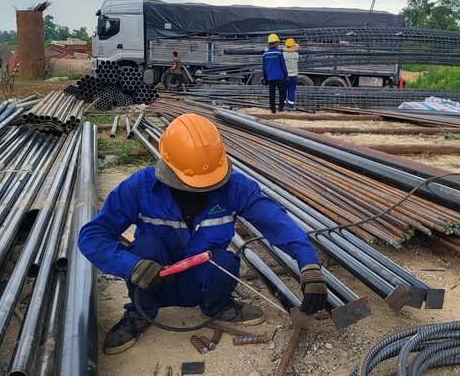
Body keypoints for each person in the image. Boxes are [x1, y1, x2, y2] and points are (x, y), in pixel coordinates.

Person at [78, 114, 328, 354]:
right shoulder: (139, 189)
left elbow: (276, 222)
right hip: (153, 280)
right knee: (146, 247)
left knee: (224, 261)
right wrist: (131, 265)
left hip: (202, 277)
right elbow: (93, 235)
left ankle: (218, 307)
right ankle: (140, 313)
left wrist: (309, 265)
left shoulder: (234, 188)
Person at [262, 34, 288, 113]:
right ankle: (280, 108)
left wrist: (265, 78)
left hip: (270, 77)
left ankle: (273, 110)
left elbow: (264, 68)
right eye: (278, 43)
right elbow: (283, 65)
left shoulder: (265, 54)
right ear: (276, 43)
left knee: (272, 94)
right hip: (280, 76)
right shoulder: (279, 53)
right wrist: (286, 76)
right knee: (282, 92)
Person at [283, 38, 300, 110]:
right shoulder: (296, 54)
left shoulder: (284, 54)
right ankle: (291, 106)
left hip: (286, 76)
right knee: (292, 90)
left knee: (284, 90)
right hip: (294, 76)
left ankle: (283, 105)